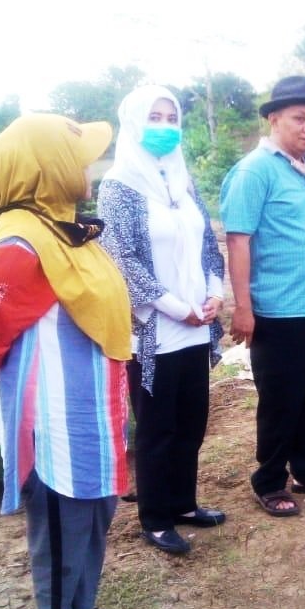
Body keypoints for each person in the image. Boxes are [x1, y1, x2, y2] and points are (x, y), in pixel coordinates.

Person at [0, 114, 140, 609]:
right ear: (48, 167)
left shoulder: (62, 228)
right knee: (62, 511)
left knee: (94, 504)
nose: (88, 166)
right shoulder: (21, 242)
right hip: (54, 412)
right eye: (77, 156)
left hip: (90, 400)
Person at [219, 75, 305, 517]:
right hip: (279, 309)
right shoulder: (253, 171)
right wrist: (243, 307)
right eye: (300, 118)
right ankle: (270, 479)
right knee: (282, 399)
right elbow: (238, 242)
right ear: (273, 118)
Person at [99, 85, 227, 556]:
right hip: (155, 330)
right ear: (133, 123)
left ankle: (183, 503)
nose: (165, 126)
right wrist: (178, 307)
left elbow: (208, 245)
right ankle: (154, 517)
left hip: (196, 325)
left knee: (192, 421)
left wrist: (214, 296)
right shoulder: (119, 185)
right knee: (156, 428)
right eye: (154, 117)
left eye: (171, 117)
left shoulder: (183, 181)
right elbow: (119, 257)